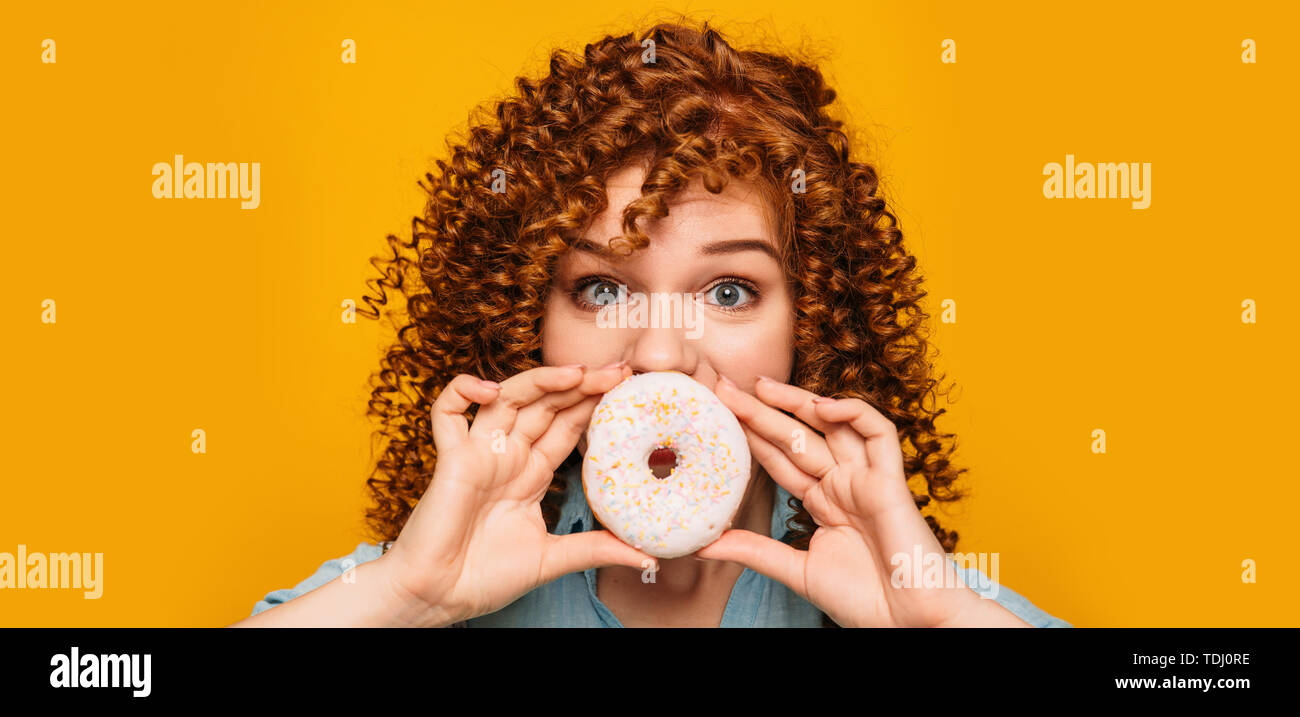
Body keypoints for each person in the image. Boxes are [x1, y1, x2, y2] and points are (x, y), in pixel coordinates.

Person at [231, 21, 1071, 628]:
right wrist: (406, 597)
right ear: (529, 319)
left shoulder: (915, 598)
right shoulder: (422, 585)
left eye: (730, 291)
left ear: (811, 325)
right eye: (601, 290)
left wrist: (934, 624)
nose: (661, 351)